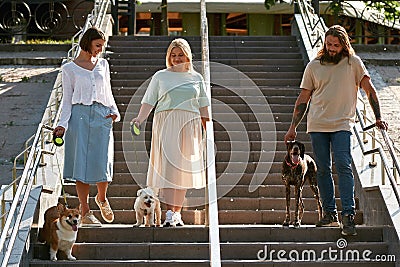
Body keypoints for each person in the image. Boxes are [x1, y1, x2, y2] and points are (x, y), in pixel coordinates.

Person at [284, 25, 388, 236]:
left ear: (344, 45)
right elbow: (303, 98)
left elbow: (369, 90)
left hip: (342, 124)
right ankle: (329, 213)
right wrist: (292, 127)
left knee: (343, 164)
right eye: (328, 44)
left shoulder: (353, 63)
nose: (331, 48)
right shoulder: (314, 66)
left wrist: (378, 117)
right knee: (322, 169)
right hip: (317, 125)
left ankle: (348, 215)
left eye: (336, 45)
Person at [131, 38, 210, 227]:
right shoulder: (160, 76)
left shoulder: (196, 78)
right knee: (168, 170)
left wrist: (208, 129)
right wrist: (139, 119)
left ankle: (177, 214)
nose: (176, 58)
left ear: (188, 55)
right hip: (166, 124)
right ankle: (168, 213)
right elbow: (149, 100)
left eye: (180, 55)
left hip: (189, 126)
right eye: (173, 55)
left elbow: (204, 106)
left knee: (182, 170)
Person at [53, 27, 120, 226]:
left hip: (102, 114)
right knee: (80, 164)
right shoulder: (69, 69)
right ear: (88, 42)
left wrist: (114, 112)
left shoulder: (103, 65)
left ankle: (102, 198)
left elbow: (107, 91)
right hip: (79, 116)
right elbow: (66, 100)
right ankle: (85, 210)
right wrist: (62, 125)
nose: (100, 49)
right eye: (98, 45)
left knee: (102, 161)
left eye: (102, 46)